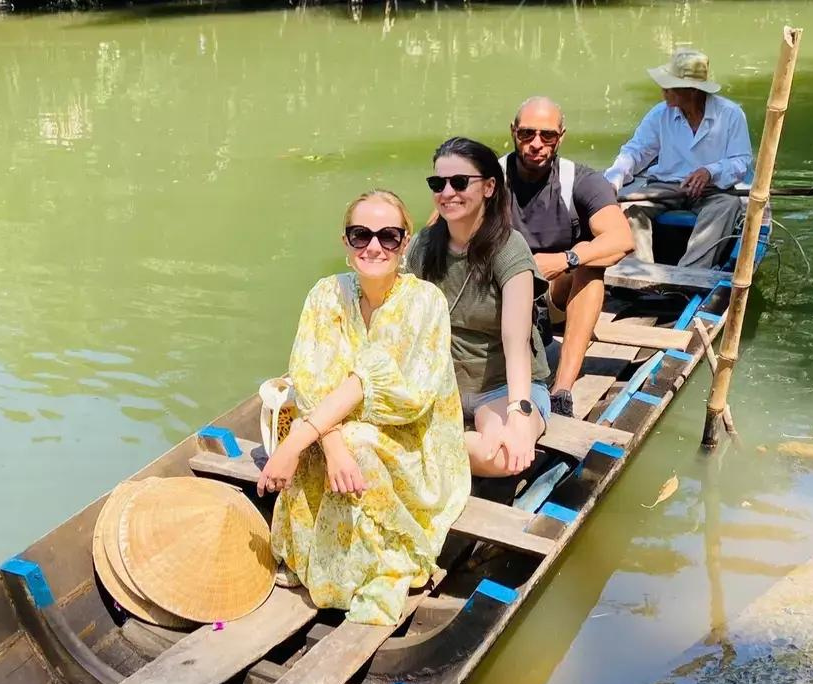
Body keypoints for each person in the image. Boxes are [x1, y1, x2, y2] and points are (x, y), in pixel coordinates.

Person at [256, 190, 470, 626]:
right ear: (346, 243)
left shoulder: (424, 302)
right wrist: (325, 440)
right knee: (335, 437)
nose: (374, 247)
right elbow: (310, 377)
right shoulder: (325, 295)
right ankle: (317, 555)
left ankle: (372, 568)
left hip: (410, 438)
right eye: (361, 235)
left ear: (405, 243)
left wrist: (300, 439)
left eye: (388, 236)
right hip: (333, 426)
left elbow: (376, 385)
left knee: (348, 439)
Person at [404, 137, 548, 478]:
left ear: (488, 187)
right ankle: (436, 445)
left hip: (503, 388)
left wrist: (518, 412)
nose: (447, 192)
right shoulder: (423, 247)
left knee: (501, 458)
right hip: (443, 389)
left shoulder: (509, 249)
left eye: (459, 182)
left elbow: (516, 343)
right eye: (438, 184)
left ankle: (423, 450)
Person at [501, 97, 634, 418]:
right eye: (527, 134)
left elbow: (622, 239)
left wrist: (565, 260)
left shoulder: (582, 180)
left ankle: (561, 390)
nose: (536, 144)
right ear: (513, 133)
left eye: (547, 136)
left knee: (591, 267)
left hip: (553, 289)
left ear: (561, 137)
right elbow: (440, 232)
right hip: (501, 288)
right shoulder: (486, 177)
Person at [603, 48, 754, 269]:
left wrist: (710, 171)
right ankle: (642, 274)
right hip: (666, 187)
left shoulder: (730, 114)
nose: (663, 91)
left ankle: (689, 273)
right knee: (629, 208)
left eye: (670, 86)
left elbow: (741, 161)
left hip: (713, 191)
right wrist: (612, 181)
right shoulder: (659, 114)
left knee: (728, 207)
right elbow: (636, 152)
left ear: (692, 90)